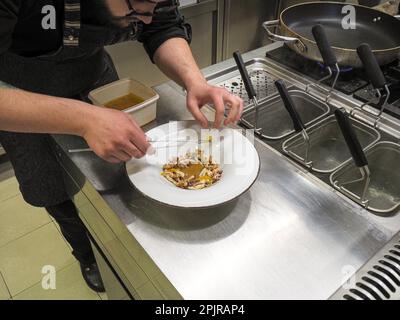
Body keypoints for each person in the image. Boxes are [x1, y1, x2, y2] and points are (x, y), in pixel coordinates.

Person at [0, 0, 243, 292]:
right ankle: (86, 254)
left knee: (119, 183)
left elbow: (162, 26)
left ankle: (115, 247)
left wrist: (194, 80)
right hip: (19, 96)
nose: (147, 18)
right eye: (137, 9)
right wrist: (83, 120)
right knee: (53, 188)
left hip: (96, 81)